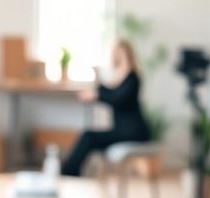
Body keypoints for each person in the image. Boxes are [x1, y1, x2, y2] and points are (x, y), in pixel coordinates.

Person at [61, 39, 150, 177]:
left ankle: (68, 172)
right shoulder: (120, 77)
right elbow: (109, 92)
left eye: (117, 52)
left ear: (124, 54)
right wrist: (95, 91)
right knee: (88, 135)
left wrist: (97, 94)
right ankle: (70, 171)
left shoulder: (132, 78)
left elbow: (117, 99)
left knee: (88, 136)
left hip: (134, 132)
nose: (113, 55)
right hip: (122, 130)